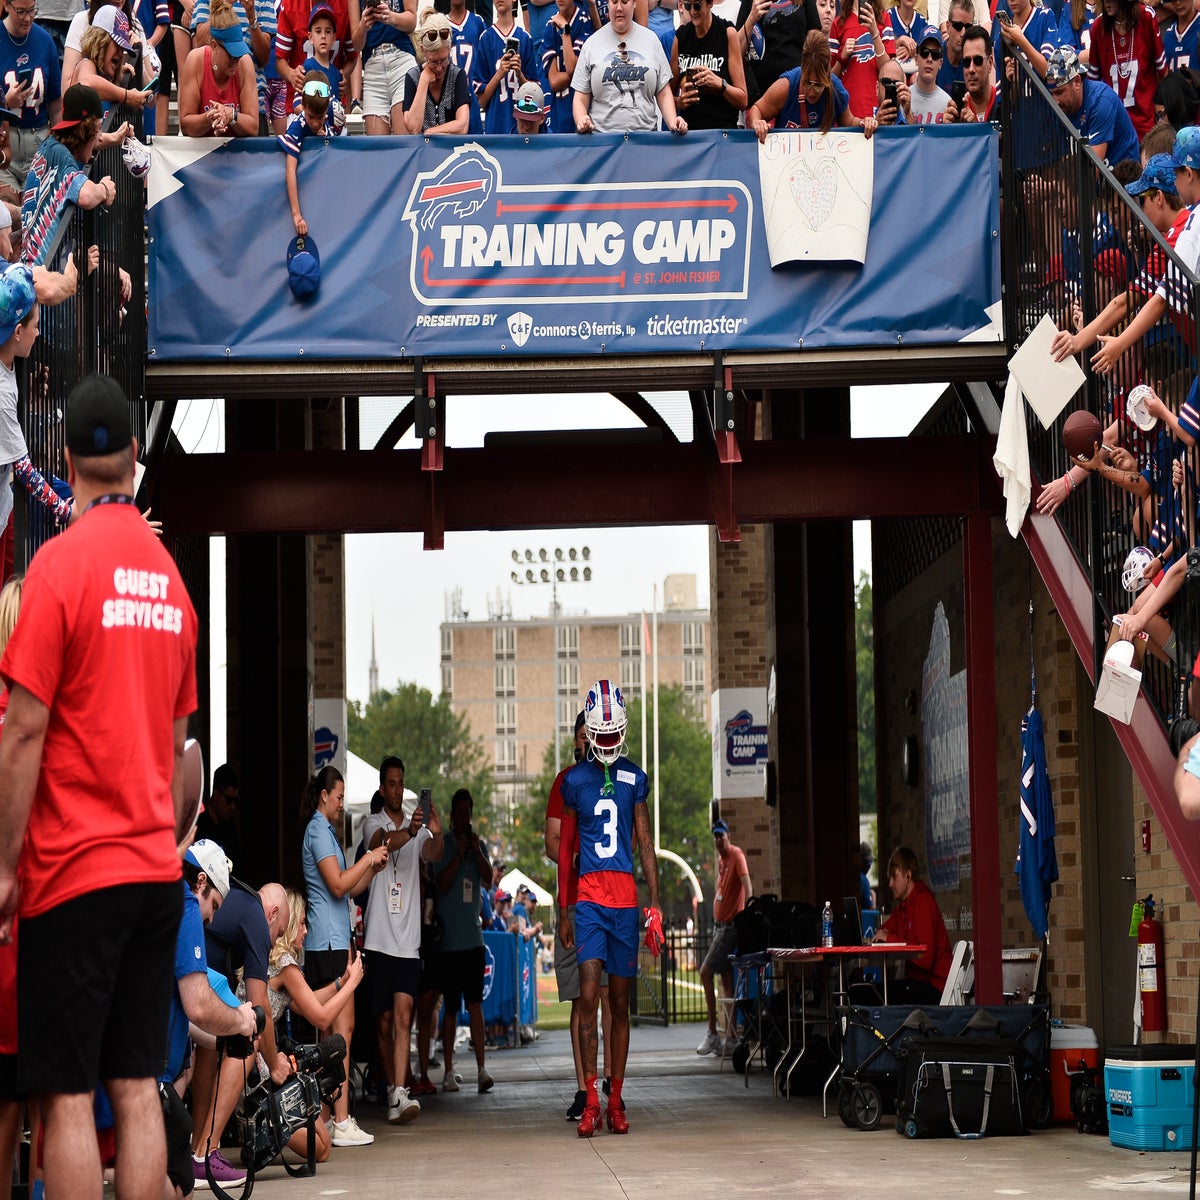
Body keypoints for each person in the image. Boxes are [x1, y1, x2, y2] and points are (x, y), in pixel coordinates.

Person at [0, 372, 198, 1200]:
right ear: (131, 460)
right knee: (134, 1084)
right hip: (153, 873)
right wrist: (168, 834)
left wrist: (7, 867)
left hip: (74, 874)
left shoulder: (57, 570)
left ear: (74, 461)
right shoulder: (172, 582)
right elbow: (183, 752)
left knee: (68, 1095)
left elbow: (23, 729)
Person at [556, 679, 662, 1137]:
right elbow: (564, 851)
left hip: (624, 899)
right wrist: (563, 910)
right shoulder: (574, 780)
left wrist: (655, 901)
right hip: (590, 900)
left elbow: (644, 840)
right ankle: (591, 1097)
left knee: (620, 1003)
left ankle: (616, 1097)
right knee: (589, 992)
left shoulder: (635, 777)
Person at [163, 841, 258, 1200]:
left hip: (147, 1078)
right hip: (152, 1082)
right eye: (214, 905)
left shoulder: (162, 897)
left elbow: (183, 1015)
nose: (212, 919)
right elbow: (199, 1004)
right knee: (176, 1185)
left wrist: (222, 1039)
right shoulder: (186, 903)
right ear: (200, 881)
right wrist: (240, 1020)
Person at [300, 764, 388, 1147]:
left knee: (337, 1030)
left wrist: (372, 867)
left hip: (335, 941)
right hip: (326, 944)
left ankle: (331, 1116)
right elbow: (337, 885)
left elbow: (350, 890)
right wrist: (367, 859)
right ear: (324, 795)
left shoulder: (328, 832)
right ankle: (339, 1118)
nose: (341, 804)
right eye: (338, 797)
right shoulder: (318, 830)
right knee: (338, 1030)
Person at [192, 879, 289, 1188]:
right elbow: (261, 1008)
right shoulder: (257, 920)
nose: (274, 944)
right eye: (280, 933)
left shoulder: (238, 902)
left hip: (186, 974)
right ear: (272, 913)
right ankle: (207, 1152)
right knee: (249, 1035)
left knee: (216, 1040)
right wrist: (275, 1066)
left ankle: (199, 1148)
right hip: (189, 980)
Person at [262, 888, 367, 1164]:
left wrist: (341, 982)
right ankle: (266, 1125)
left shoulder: (275, 960)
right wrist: (354, 983)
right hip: (262, 1078)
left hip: (259, 1070)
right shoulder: (285, 964)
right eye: (303, 922)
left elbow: (303, 1004)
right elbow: (320, 1018)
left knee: (321, 1142)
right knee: (321, 1148)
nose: (306, 931)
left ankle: (272, 1124)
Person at [362, 771, 444, 1124]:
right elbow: (381, 844)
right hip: (379, 938)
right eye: (391, 784)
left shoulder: (419, 825)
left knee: (403, 1016)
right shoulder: (372, 822)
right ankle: (389, 1082)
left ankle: (399, 1092)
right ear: (383, 788)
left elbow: (433, 853)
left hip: (409, 941)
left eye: (401, 783)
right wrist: (410, 831)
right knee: (382, 1023)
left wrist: (436, 832)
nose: (397, 789)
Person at [546, 712, 613, 1120]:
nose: (590, 744)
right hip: (574, 901)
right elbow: (553, 843)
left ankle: (609, 1081)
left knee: (609, 994)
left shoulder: (615, 780)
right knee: (579, 998)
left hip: (609, 899)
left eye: (596, 737)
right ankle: (582, 1086)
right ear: (576, 742)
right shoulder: (565, 782)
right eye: (584, 738)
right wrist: (583, 856)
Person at [0, 265, 73, 566]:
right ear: (18, 332)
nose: (39, 332)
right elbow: (25, 470)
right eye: (35, 326)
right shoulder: (2, 393)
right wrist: (67, 511)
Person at [20, 84, 125, 270]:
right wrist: (104, 189)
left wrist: (116, 138)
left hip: (34, 273)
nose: (100, 137)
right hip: (42, 279)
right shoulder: (62, 157)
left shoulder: (51, 147)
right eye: (99, 128)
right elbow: (86, 196)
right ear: (85, 130)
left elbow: (90, 142)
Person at [433, 788, 495, 1094]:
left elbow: (489, 879)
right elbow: (441, 884)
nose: (464, 818)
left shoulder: (478, 844)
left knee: (476, 1006)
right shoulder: (443, 846)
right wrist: (458, 854)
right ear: (451, 816)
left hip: (473, 940)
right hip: (448, 944)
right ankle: (448, 1071)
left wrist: (476, 852)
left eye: (467, 813)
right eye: (459, 813)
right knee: (451, 1010)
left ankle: (483, 1069)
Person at [572, 0, 687, 133]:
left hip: (645, 140)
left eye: (625, 2)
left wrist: (673, 121)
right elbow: (580, 97)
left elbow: (663, 91)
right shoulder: (591, 44)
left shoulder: (651, 40)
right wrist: (581, 120)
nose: (619, 8)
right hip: (603, 143)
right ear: (608, 4)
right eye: (614, 2)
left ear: (634, 3)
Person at [749, 29, 879, 136]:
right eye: (807, 82)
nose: (812, 91)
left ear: (827, 77)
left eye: (818, 85)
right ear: (802, 70)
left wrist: (864, 122)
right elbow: (757, 109)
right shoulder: (786, 86)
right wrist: (757, 122)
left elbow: (850, 123)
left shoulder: (836, 90)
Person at [696, 819, 751, 1055]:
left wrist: (748, 914)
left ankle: (712, 1034)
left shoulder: (737, 856)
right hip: (720, 927)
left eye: (722, 836)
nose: (719, 840)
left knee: (705, 973)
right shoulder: (721, 861)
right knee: (727, 983)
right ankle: (730, 1037)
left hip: (729, 928)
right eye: (716, 836)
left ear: (729, 836)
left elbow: (748, 886)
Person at [871, 846, 953, 1001]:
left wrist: (891, 938)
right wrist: (889, 936)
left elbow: (925, 959)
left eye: (894, 877)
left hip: (936, 988)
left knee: (873, 996)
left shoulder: (923, 902)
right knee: (868, 992)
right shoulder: (902, 907)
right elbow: (882, 933)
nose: (890, 884)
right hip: (917, 984)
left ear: (908, 876)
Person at [0, 0, 62, 195]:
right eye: (20, 12)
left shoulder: (45, 41)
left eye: (32, 11)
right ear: (7, 5)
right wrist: (6, 103)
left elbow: (55, 104)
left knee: (36, 214)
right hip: (4, 140)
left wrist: (59, 145)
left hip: (38, 138)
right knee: (10, 217)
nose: (27, 18)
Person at [1045, 44, 1139, 166]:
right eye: (1052, 94)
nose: (1055, 101)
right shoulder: (1063, 108)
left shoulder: (1101, 100)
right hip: (1099, 181)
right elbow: (1066, 163)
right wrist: (1051, 185)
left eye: (1059, 92)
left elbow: (1091, 170)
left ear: (1077, 82)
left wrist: (1057, 185)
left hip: (1124, 179)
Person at [1086, 0, 1166, 142]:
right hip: (1114, 128)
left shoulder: (1146, 17)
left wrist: (1162, 114)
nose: (1106, 3)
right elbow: (1093, 84)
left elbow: (1162, 72)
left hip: (1146, 125)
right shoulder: (1098, 27)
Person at [178, 0, 260, 135]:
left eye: (238, 53)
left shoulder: (244, 62)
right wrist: (210, 117)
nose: (236, 60)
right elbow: (186, 125)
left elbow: (253, 127)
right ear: (214, 45)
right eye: (231, 54)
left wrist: (232, 115)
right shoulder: (195, 60)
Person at [279, 69, 340, 236]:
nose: (315, 123)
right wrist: (296, 215)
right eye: (311, 116)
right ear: (303, 106)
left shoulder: (329, 119)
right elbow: (290, 170)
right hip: (307, 202)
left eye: (320, 117)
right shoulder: (296, 128)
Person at [672, 0, 747, 129]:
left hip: (722, 130)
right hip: (690, 132)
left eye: (697, 6)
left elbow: (743, 100)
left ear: (710, 3)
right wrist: (680, 102)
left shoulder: (727, 33)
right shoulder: (681, 37)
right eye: (688, 6)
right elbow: (666, 96)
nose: (692, 11)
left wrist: (720, 84)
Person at [351, 0, 418, 135]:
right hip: (373, 66)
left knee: (405, 143)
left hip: (402, 60)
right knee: (377, 149)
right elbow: (357, 45)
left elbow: (412, 21)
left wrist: (390, 16)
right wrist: (363, 28)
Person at [473, 0, 538, 134]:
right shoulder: (486, 38)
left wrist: (520, 75)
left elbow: (536, 98)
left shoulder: (525, 38)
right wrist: (499, 74)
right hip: (495, 129)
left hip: (522, 130)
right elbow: (480, 102)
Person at [403, 11, 471, 132]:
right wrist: (424, 80)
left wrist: (430, 132)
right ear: (423, 51)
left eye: (444, 60)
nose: (439, 68)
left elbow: (462, 126)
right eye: (433, 62)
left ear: (450, 49)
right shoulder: (413, 76)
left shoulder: (457, 75)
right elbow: (413, 127)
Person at [829, 0, 892, 120]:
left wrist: (874, 32)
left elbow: (888, 71)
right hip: (848, 109)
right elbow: (829, 80)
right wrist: (842, 59)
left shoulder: (884, 18)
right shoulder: (838, 23)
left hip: (877, 109)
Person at [541, 0, 594, 133]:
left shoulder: (584, 21)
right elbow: (554, 81)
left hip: (580, 103)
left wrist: (565, 30)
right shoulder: (550, 26)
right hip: (557, 108)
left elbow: (571, 68)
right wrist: (580, 73)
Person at [195, 762, 242, 867]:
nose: (233, 806)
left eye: (236, 800)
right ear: (216, 793)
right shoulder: (199, 825)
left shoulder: (229, 826)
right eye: (229, 800)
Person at [298, 3, 346, 103]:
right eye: (318, 31)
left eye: (328, 31)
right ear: (310, 37)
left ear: (333, 38)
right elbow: (297, 102)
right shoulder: (307, 67)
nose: (323, 36)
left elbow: (338, 104)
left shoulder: (337, 73)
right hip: (311, 118)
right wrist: (314, 113)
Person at [951, 23, 999, 122]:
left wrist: (975, 129)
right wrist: (948, 130)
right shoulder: (957, 112)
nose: (971, 69)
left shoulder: (1002, 104)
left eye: (978, 61)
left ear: (990, 63)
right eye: (966, 62)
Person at [907, 28, 952, 122]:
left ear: (940, 63)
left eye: (935, 54)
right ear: (916, 59)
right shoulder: (904, 98)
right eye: (924, 52)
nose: (929, 59)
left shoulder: (947, 103)